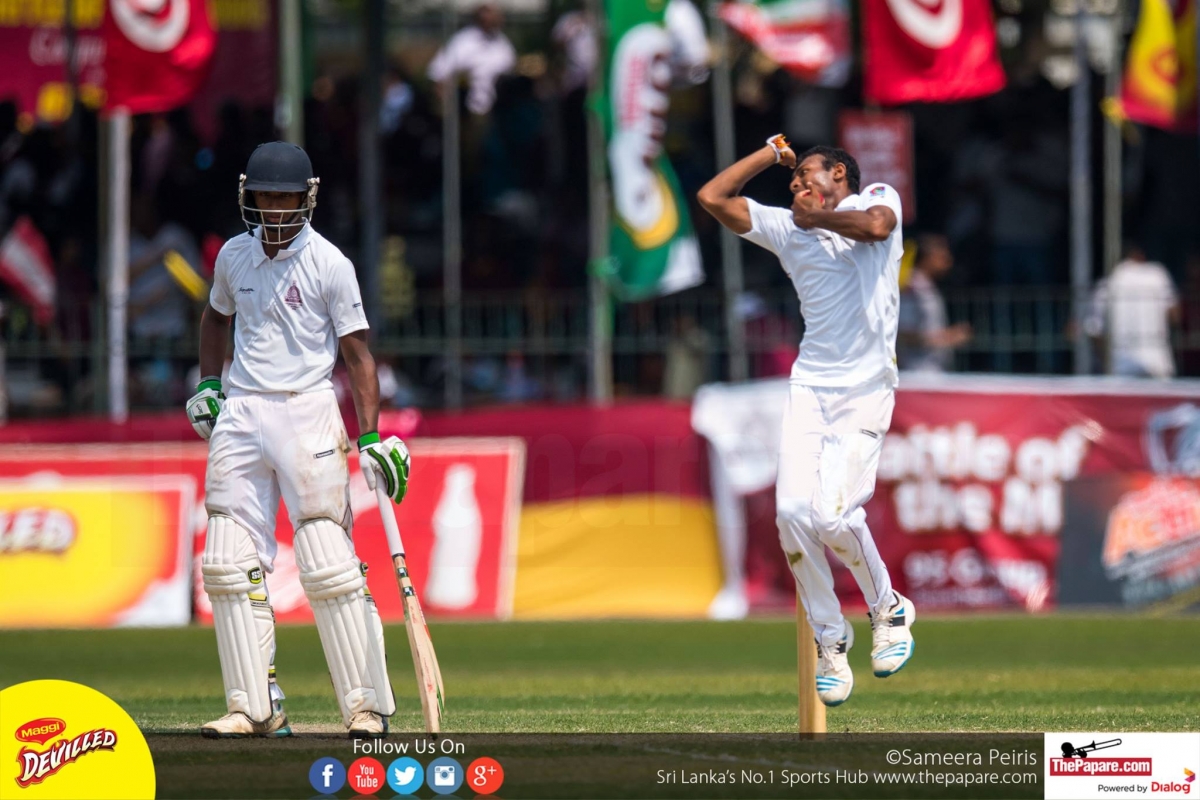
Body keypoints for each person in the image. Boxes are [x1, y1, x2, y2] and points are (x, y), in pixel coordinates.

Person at [185, 142, 410, 738]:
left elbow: (358, 356)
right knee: (227, 560)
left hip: (307, 409)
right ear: (249, 196)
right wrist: (209, 383)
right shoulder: (234, 255)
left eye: (285, 197)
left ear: (306, 198)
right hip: (241, 410)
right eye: (266, 196)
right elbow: (214, 319)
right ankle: (254, 707)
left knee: (327, 559)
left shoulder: (330, 263)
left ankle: (366, 708)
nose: (275, 208)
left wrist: (370, 436)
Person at [697, 137, 915, 707]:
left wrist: (816, 217)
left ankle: (888, 609)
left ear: (838, 173)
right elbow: (713, 198)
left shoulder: (873, 198)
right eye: (792, 183)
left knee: (833, 515)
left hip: (866, 390)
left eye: (805, 177)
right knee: (792, 514)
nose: (796, 188)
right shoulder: (786, 227)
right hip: (810, 389)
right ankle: (830, 637)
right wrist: (771, 156)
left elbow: (876, 227)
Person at [1085, 244, 1180, 379]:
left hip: (1120, 366)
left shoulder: (1107, 284)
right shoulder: (1157, 275)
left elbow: (1094, 330)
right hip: (1157, 363)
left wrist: (1106, 361)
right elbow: (1175, 316)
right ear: (1140, 256)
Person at [897, 234, 972, 372]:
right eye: (942, 256)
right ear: (926, 258)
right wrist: (947, 337)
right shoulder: (912, 288)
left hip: (932, 369)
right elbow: (904, 333)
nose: (949, 260)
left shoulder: (926, 285)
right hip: (916, 370)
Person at [427, 3, 516, 117]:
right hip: (467, 110)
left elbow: (510, 69)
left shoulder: (502, 43)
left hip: (499, 109)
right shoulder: (463, 41)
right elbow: (439, 73)